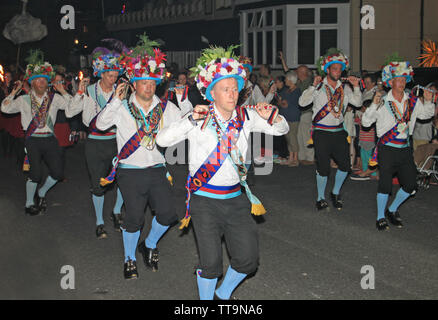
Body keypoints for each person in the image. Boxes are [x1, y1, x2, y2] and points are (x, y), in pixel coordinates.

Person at [156, 45, 289, 300]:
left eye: (235, 88)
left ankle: (222, 294)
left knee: (248, 261)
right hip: (204, 201)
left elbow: (281, 130)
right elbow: (162, 140)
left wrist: (272, 115)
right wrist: (190, 120)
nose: (232, 93)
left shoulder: (246, 116)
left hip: (236, 200)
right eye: (225, 88)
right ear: (211, 92)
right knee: (211, 265)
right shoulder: (199, 116)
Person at [96, 34, 190, 279]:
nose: (148, 87)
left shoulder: (166, 108)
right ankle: (129, 259)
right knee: (134, 217)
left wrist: (185, 102)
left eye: (152, 82)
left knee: (169, 215)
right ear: (134, 84)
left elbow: (186, 128)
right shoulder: (123, 106)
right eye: (143, 82)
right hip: (129, 171)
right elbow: (102, 124)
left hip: (157, 170)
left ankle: (148, 244)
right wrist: (115, 101)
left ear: (156, 83)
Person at [361, 60, 435, 230]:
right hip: (386, 148)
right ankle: (380, 216)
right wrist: (373, 104)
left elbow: (425, 115)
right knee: (385, 184)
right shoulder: (382, 101)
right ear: (391, 82)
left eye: (404, 79)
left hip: (404, 148)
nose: (401, 83)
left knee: (410, 184)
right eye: (398, 80)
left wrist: (429, 101)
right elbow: (366, 122)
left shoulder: (413, 101)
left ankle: (392, 209)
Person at [1, 50, 72, 215]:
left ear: (48, 82)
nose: (41, 82)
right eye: (37, 80)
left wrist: (62, 91)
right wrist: (13, 92)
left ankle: (41, 193)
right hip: (32, 139)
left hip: (50, 139)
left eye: (44, 80)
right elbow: (4, 107)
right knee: (36, 174)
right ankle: (28, 203)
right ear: (32, 83)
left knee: (58, 172)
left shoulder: (54, 98)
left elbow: (73, 107)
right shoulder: (23, 100)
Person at [65, 46, 125, 239]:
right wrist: (79, 93)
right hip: (95, 143)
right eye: (110, 75)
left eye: (116, 75)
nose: (114, 79)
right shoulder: (90, 90)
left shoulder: (121, 91)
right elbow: (70, 113)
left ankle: (116, 212)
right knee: (98, 183)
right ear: (101, 73)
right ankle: (100, 222)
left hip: (116, 142)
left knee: (123, 179)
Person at [299, 48, 362, 211]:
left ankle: (335, 192)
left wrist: (356, 87)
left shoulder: (345, 88)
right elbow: (302, 103)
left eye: (340, 69)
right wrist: (312, 87)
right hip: (321, 132)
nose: (338, 72)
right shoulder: (319, 86)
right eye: (335, 68)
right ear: (327, 70)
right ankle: (320, 197)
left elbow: (357, 103)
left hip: (339, 131)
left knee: (345, 166)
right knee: (323, 167)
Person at [276, 71, 302, 166]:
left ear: (291, 80)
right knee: (288, 138)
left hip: (293, 117)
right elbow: (280, 102)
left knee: (293, 138)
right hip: (286, 117)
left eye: (286, 79)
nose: (285, 80)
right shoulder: (287, 90)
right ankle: (291, 157)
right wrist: (281, 102)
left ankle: (295, 158)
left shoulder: (296, 91)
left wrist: (281, 102)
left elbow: (285, 104)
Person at [350, 99, 378, 180]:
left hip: (369, 141)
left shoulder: (372, 117)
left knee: (369, 157)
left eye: (363, 107)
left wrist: (359, 120)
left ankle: (373, 172)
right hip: (362, 140)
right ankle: (365, 171)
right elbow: (359, 123)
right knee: (363, 156)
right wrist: (357, 119)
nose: (362, 109)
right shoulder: (364, 115)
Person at [412, 83, 437, 150]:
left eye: (433, 91)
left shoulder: (432, 103)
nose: (431, 92)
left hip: (426, 136)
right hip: (416, 135)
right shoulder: (419, 100)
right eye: (429, 90)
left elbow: (432, 115)